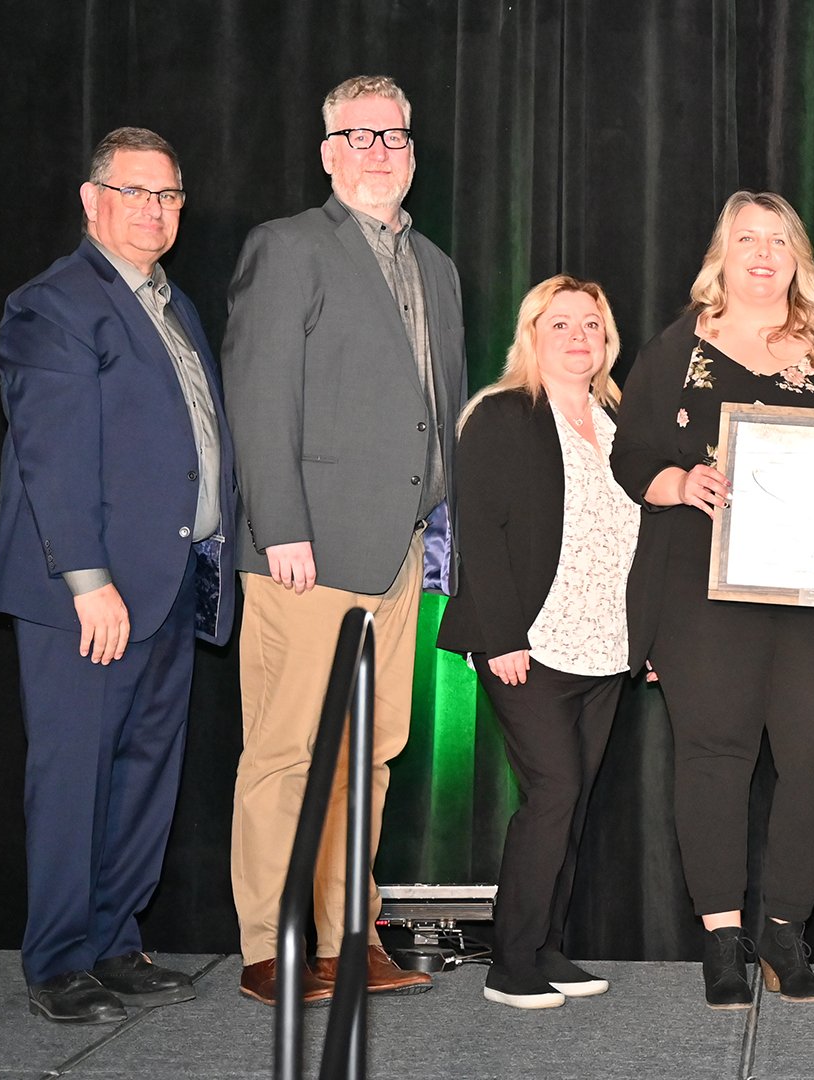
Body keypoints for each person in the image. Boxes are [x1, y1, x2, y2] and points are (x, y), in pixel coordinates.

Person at [0, 127, 238, 1025]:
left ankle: (114, 943)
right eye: (134, 193)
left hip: (169, 581)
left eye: (169, 196)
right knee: (74, 774)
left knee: (142, 773)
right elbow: (53, 457)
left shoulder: (174, 304)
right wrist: (89, 581)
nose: (155, 211)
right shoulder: (53, 304)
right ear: (91, 201)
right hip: (88, 594)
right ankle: (58, 960)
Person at [223, 75, 465, 1005]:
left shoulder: (435, 264)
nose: (378, 153)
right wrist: (279, 526)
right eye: (357, 138)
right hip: (308, 551)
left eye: (394, 137)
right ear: (328, 153)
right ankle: (269, 943)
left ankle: (345, 935)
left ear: (412, 151)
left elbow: (434, 413)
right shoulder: (288, 248)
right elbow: (258, 393)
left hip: (399, 550)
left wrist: (440, 530)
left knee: (371, 750)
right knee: (289, 750)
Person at [609, 191, 814, 1009]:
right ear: (720, 256)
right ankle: (723, 939)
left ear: (799, 257)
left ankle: (786, 935)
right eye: (746, 239)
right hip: (701, 592)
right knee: (714, 757)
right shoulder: (673, 350)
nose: (762, 254)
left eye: (779, 241)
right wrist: (677, 480)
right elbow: (632, 457)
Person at [438, 276, 640, 1008]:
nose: (579, 337)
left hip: (606, 645)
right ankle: (510, 960)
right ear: (532, 337)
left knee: (574, 799)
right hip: (529, 643)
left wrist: (645, 639)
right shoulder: (500, 416)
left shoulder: (620, 420)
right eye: (560, 325)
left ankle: (549, 947)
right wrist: (500, 637)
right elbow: (479, 537)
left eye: (592, 324)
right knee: (552, 791)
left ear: (607, 340)